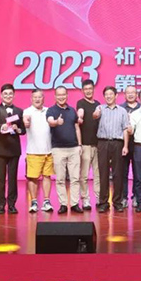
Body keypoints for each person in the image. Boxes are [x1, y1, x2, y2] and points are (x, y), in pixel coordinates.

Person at [0, 84, 26, 214]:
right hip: (0, 148)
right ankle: (0, 205)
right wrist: (2, 126)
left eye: (10, 94)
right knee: (0, 179)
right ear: (1, 95)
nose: (8, 96)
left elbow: (23, 130)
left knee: (12, 178)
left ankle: (12, 205)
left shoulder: (19, 111)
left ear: (14, 95)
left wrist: (18, 129)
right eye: (5, 94)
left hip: (14, 149)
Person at [47, 86, 83, 214]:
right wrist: (57, 122)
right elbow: (50, 122)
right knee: (60, 179)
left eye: (63, 95)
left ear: (67, 95)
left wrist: (80, 145)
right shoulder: (51, 110)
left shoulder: (72, 110)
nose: (61, 97)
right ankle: (63, 204)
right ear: (55, 96)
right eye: (59, 95)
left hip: (74, 148)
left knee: (75, 178)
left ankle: (74, 204)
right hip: (58, 149)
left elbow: (77, 128)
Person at [96, 86, 130, 213]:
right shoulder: (100, 108)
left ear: (116, 96)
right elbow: (94, 116)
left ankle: (117, 201)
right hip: (103, 143)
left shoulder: (122, 111)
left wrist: (125, 146)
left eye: (111, 94)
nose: (109, 96)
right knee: (103, 173)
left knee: (118, 173)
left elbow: (125, 129)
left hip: (117, 143)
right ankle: (103, 202)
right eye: (106, 94)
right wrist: (96, 114)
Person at [23, 89, 53, 213]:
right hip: (33, 151)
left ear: (43, 98)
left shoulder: (49, 111)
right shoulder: (27, 111)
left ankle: (46, 201)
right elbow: (25, 120)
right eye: (35, 97)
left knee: (47, 176)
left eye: (39, 97)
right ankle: (34, 201)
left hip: (49, 151)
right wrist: (26, 122)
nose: (37, 99)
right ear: (31, 99)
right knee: (33, 178)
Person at [76, 79, 101, 210]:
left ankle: (99, 198)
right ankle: (85, 199)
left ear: (93, 89)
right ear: (82, 91)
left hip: (98, 145)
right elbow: (80, 112)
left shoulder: (98, 104)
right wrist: (80, 117)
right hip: (85, 145)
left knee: (98, 175)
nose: (88, 91)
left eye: (90, 89)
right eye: (86, 89)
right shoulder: (81, 103)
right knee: (84, 175)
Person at [120, 86, 140, 208]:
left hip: (138, 144)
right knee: (123, 172)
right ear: (124, 94)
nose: (131, 95)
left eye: (133, 92)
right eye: (128, 93)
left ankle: (136, 196)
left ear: (137, 94)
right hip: (123, 145)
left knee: (138, 172)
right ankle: (123, 197)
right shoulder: (120, 108)